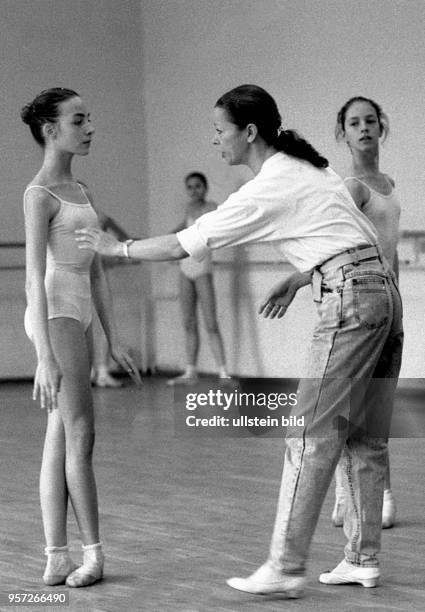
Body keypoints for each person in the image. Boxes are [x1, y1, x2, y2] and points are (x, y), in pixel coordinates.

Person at [76, 84, 403, 598]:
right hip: (380, 293)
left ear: (249, 132)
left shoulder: (270, 184)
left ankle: (286, 566)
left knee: (307, 433)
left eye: (219, 130)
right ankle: (361, 559)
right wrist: (303, 276)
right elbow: (345, 231)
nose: (214, 141)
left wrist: (116, 245)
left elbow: (184, 244)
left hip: (352, 300)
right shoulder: (307, 167)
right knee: (361, 436)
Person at [21, 88, 141, 588]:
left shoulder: (83, 190)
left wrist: (113, 340)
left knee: (60, 437)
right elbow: (32, 276)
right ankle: (93, 555)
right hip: (55, 315)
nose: (89, 127)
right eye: (78, 119)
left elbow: (96, 273)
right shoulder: (39, 194)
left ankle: (56, 555)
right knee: (81, 435)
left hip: (80, 311)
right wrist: (45, 356)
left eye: (89, 118)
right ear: (51, 130)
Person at [331, 96, 401, 530]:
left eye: (370, 120)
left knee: (378, 405)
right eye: (354, 123)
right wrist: (301, 281)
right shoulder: (350, 187)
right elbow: (332, 245)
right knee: (349, 406)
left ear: (381, 126)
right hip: (358, 308)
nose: (363, 128)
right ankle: (348, 492)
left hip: (391, 305)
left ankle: (381, 492)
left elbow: (390, 251)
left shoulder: (387, 183)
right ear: (343, 133)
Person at [167, 172, 231, 385]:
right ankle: (190, 370)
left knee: (210, 322)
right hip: (185, 268)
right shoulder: (188, 209)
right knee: (188, 322)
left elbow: (210, 230)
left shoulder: (211, 207)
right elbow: (179, 231)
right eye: (190, 187)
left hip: (202, 268)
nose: (194, 190)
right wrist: (159, 243)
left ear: (205, 187)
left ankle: (223, 371)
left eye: (198, 186)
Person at [91, 212, 133, 388]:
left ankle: (102, 371)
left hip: (98, 275)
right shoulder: (69, 216)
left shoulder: (102, 218)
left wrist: (114, 256)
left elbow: (124, 238)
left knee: (103, 323)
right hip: (78, 275)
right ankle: (90, 371)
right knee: (83, 323)